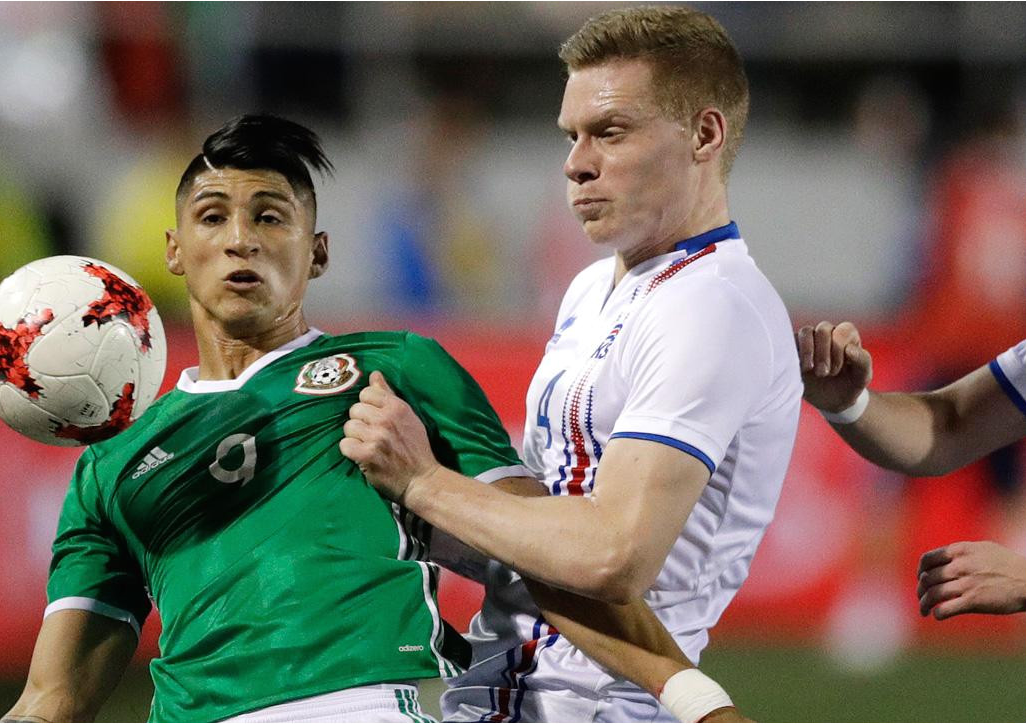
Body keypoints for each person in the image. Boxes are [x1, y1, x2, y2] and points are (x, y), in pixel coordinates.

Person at [2, 115, 740, 723]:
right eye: (212, 217)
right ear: (174, 251)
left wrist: (697, 701)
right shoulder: (112, 462)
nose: (240, 239)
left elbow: (544, 558)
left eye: (270, 217)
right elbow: (53, 697)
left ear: (316, 253)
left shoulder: (397, 367)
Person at [342, 6, 802, 721]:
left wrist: (425, 483)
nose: (576, 162)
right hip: (500, 694)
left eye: (609, 132)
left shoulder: (712, 306)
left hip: (599, 707)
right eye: (572, 135)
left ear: (704, 135)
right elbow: (534, 536)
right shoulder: (596, 286)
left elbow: (613, 555)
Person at [798, 321, 1025, 621]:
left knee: (1010, 500)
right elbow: (951, 425)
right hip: (949, 356)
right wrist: (849, 404)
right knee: (888, 496)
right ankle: (874, 596)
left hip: (978, 342)